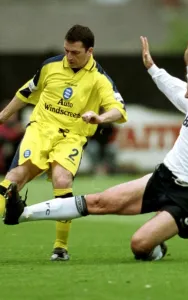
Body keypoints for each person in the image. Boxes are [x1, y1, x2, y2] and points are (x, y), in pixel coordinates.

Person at [4, 31, 188, 261]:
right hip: (163, 178)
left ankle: (158, 241)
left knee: (139, 245)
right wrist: (152, 68)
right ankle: (22, 214)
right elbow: (172, 86)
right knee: (97, 202)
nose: (186, 93)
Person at [0, 25, 127, 261]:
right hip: (40, 129)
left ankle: (60, 248)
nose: (69, 57)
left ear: (90, 51)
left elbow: (119, 110)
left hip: (71, 136)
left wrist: (99, 117)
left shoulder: (100, 78)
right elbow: (26, 92)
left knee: (62, 179)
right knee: (15, 178)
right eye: (66, 50)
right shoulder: (51, 65)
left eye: (75, 52)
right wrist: (3, 117)